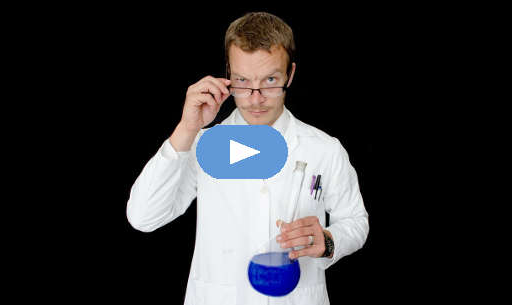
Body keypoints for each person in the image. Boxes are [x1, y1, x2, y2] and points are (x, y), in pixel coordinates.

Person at [126, 12, 369, 305]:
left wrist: (329, 241)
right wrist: (187, 129)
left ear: (290, 75)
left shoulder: (323, 149)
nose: (255, 99)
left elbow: (355, 221)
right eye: (242, 81)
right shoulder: (203, 144)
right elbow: (143, 217)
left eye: (270, 80)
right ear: (228, 74)